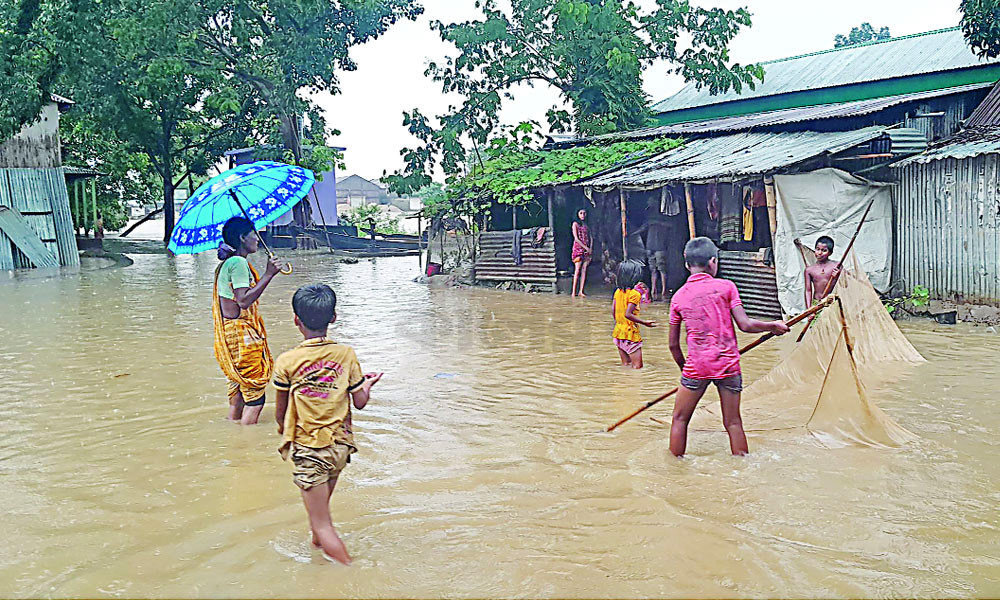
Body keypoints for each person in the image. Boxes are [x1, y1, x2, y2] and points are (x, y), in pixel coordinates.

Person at [273, 284, 382, 566]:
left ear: (296, 320)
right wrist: (366, 384)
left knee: (322, 524)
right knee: (317, 521)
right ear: (333, 317)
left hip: (310, 450)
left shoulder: (287, 361)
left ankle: (352, 573)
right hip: (340, 448)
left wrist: (281, 431)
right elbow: (359, 401)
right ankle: (320, 567)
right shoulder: (346, 355)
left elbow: (281, 411)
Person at [667, 237, 789, 457]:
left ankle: (675, 471)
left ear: (686, 264)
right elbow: (746, 325)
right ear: (713, 261)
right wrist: (772, 326)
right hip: (728, 365)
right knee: (733, 422)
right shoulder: (726, 287)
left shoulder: (678, 298)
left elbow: (673, 345)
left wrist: (685, 371)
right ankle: (741, 467)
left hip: (697, 367)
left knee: (680, 419)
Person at [213, 216, 282, 425]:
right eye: (254, 234)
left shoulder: (227, 264)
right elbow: (243, 300)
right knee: (255, 398)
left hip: (230, 336)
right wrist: (269, 274)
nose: (258, 239)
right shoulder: (239, 263)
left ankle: (234, 433)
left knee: (237, 396)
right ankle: (247, 445)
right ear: (243, 238)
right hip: (242, 336)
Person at [612, 259, 658, 369]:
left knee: (626, 365)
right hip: (630, 334)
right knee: (638, 368)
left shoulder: (618, 292)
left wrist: (621, 323)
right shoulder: (635, 294)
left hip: (618, 333)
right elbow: (628, 314)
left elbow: (613, 312)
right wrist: (644, 322)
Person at [804, 235, 842, 306]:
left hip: (833, 303)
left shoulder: (836, 266)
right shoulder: (809, 270)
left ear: (830, 253)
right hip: (817, 304)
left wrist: (838, 276)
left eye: (824, 250)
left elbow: (845, 285)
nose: (819, 253)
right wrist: (809, 310)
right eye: (817, 249)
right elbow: (808, 291)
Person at [645, 203, 670, 301]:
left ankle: (655, 290)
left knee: (656, 270)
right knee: (660, 270)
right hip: (656, 247)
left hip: (653, 247)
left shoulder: (653, 220)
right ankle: (659, 290)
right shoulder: (657, 220)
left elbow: (641, 229)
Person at [571, 208, 592, 297]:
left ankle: (581, 291)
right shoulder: (575, 224)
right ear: (577, 214)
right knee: (577, 270)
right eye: (581, 213)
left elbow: (591, 237)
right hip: (578, 249)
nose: (583, 215)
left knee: (584, 270)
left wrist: (590, 248)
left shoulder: (586, 225)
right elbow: (576, 238)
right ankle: (573, 292)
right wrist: (586, 247)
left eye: (584, 213)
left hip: (586, 250)